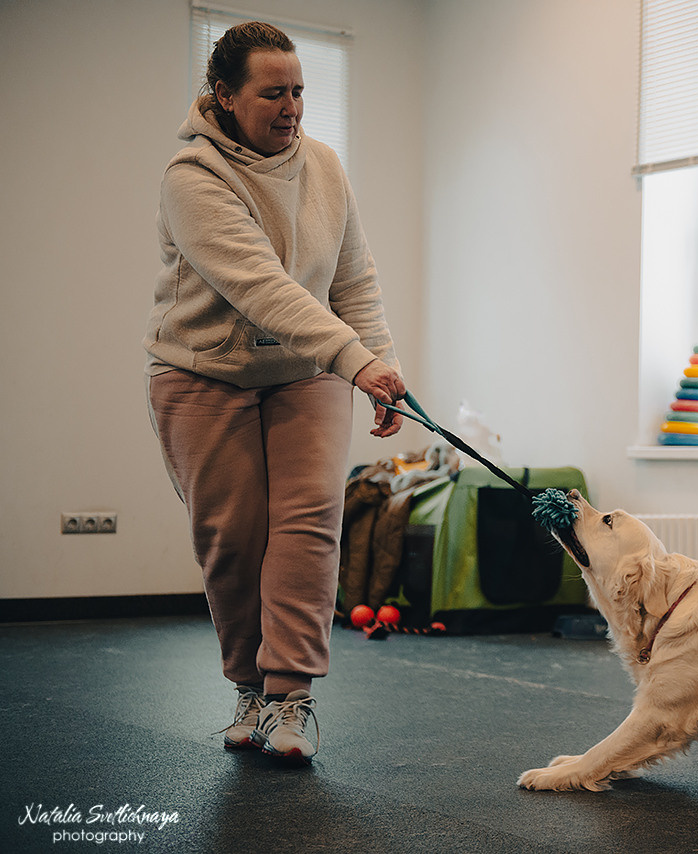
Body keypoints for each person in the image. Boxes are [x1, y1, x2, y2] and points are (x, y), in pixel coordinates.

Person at [144, 21, 405, 763]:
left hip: (306, 372)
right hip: (201, 372)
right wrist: (355, 359)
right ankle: (247, 689)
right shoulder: (191, 177)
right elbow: (261, 287)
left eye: (298, 91)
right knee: (235, 538)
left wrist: (378, 364)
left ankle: (290, 699)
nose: (290, 107)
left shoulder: (323, 164)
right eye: (272, 92)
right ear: (224, 96)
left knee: (309, 522)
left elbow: (353, 278)